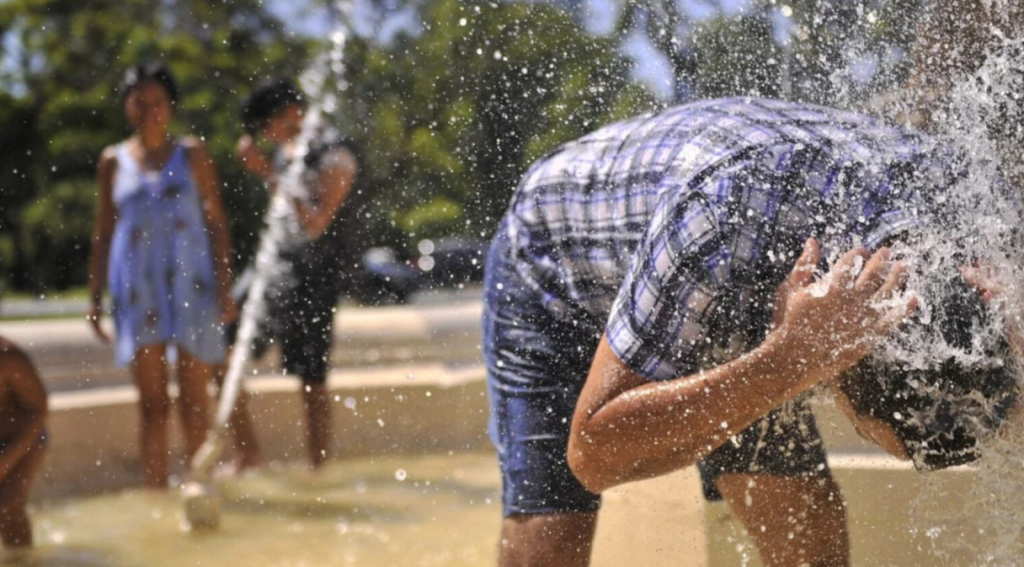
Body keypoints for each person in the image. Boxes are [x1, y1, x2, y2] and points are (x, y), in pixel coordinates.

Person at [483, 97, 1021, 566]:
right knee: (555, 527)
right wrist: (786, 360)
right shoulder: (720, 218)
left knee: (807, 541)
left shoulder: (991, 224)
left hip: (735, 266)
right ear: (841, 362)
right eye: (862, 429)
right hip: (558, 261)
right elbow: (593, 455)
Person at [88, 62, 237, 488]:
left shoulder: (192, 154)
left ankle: (199, 489)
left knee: (194, 400)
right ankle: (155, 494)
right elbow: (103, 232)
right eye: (139, 102)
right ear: (126, 106)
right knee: (152, 406)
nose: (148, 110)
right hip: (139, 291)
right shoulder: (112, 161)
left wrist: (224, 286)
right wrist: (95, 297)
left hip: (193, 285)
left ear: (170, 106)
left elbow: (217, 222)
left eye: (157, 102)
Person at [225, 79, 361, 469]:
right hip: (273, 268)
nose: (266, 135)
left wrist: (268, 173)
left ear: (291, 113)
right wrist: (271, 171)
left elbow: (316, 223)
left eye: (266, 125)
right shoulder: (286, 153)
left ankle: (318, 469)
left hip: (315, 276)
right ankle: (247, 452)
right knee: (221, 345)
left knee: (312, 380)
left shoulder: (335, 154)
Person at [0, 337, 47, 550]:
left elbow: (38, 409)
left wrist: (6, 461)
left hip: (23, 436)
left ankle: (23, 561)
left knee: (7, 506)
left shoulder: (8, 356)